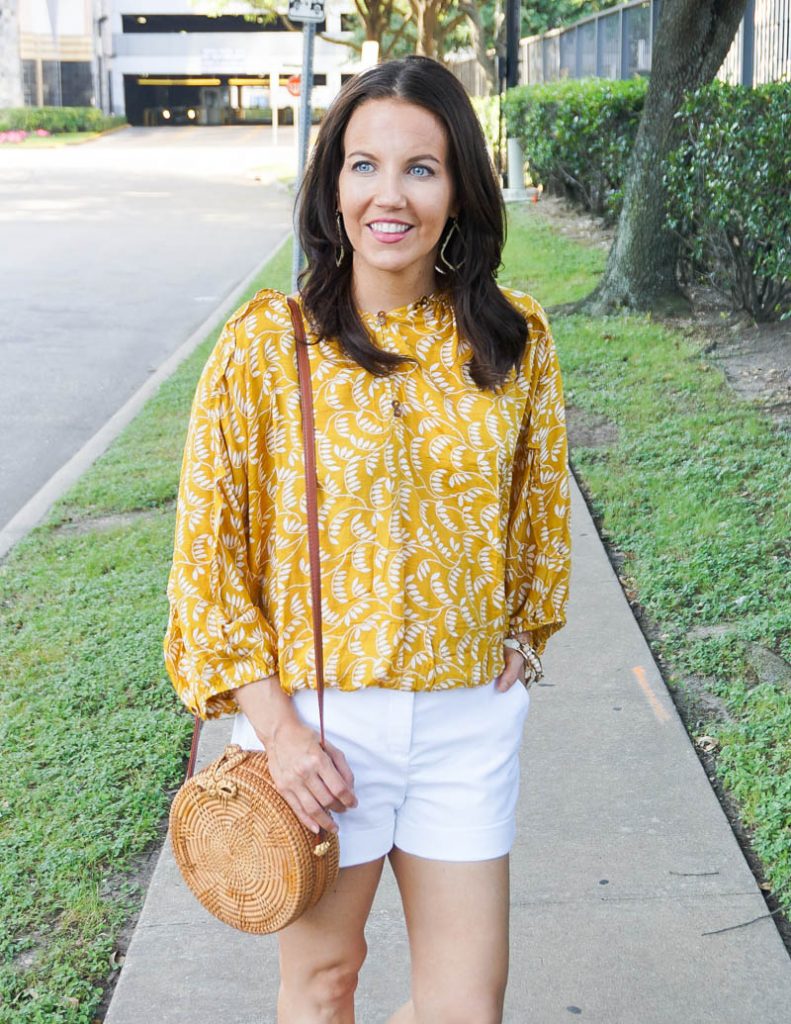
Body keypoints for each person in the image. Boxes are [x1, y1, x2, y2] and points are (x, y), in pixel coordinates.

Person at [164, 55, 571, 1024]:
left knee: (466, 1005)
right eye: (363, 165)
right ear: (331, 185)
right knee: (322, 981)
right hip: (317, 727)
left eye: (420, 168)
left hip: (463, 722)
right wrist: (279, 730)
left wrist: (521, 629)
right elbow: (208, 560)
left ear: (459, 189)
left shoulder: (511, 339)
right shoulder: (267, 345)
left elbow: (536, 512)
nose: (389, 195)